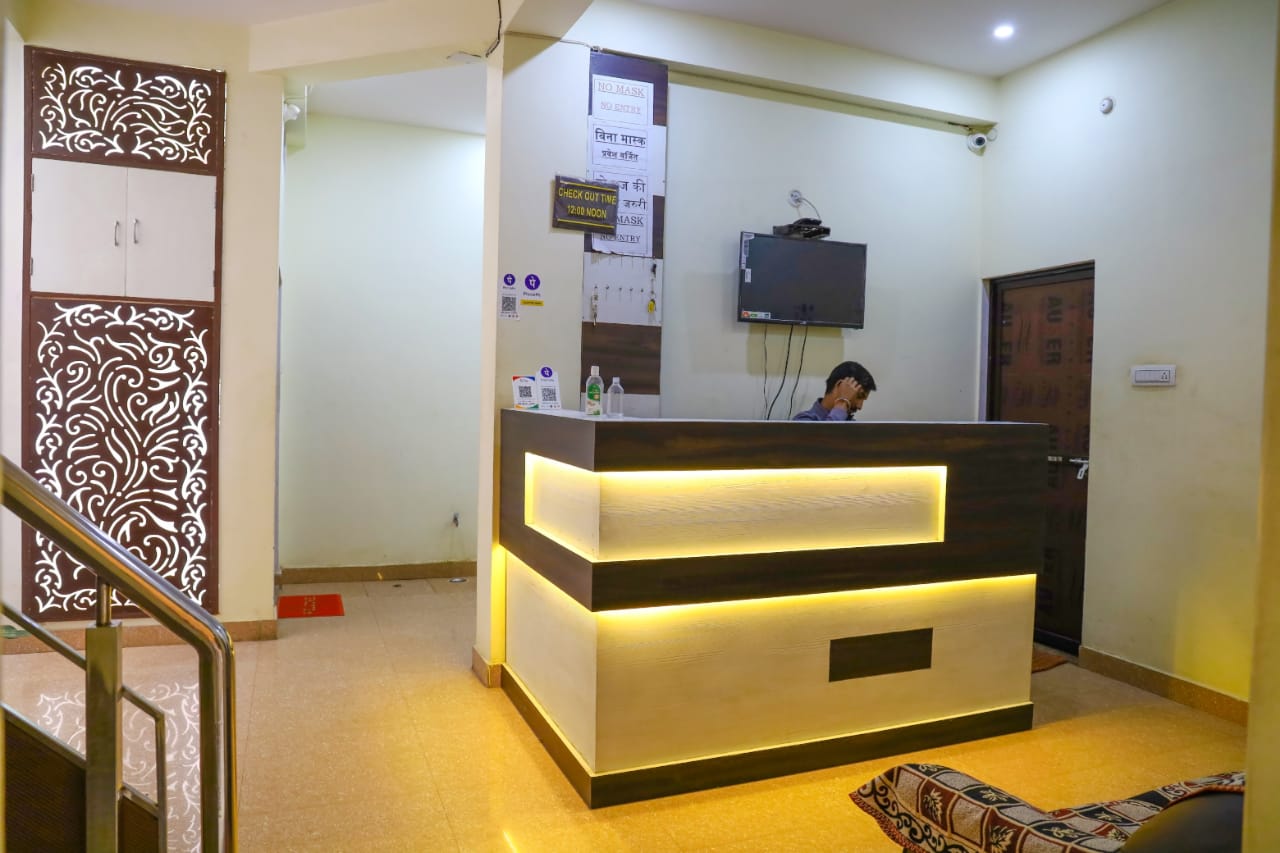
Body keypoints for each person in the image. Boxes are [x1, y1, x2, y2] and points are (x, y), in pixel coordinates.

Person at [793, 361, 876, 421]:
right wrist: (843, 402)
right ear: (840, 385)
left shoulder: (852, 425)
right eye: (859, 396)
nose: (860, 406)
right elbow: (825, 439)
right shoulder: (803, 420)